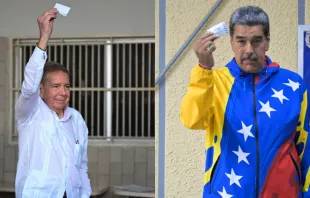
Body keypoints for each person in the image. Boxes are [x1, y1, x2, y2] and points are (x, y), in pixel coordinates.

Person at [180, 5, 310, 198]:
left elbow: (305, 145)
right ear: (231, 42)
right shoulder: (213, 81)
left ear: (267, 42)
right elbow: (192, 120)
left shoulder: (293, 85)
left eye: (256, 41)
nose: (249, 50)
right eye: (241, 41)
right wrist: (204, 68)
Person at [15, 8, 92, 198]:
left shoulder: (76, 119)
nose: (63, 92)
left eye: (66, 86)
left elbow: (81, 166)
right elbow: (29, 85)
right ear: (42, 90)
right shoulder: (30, 113)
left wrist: (85, 194)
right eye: (55, 86)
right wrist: (44, 38)